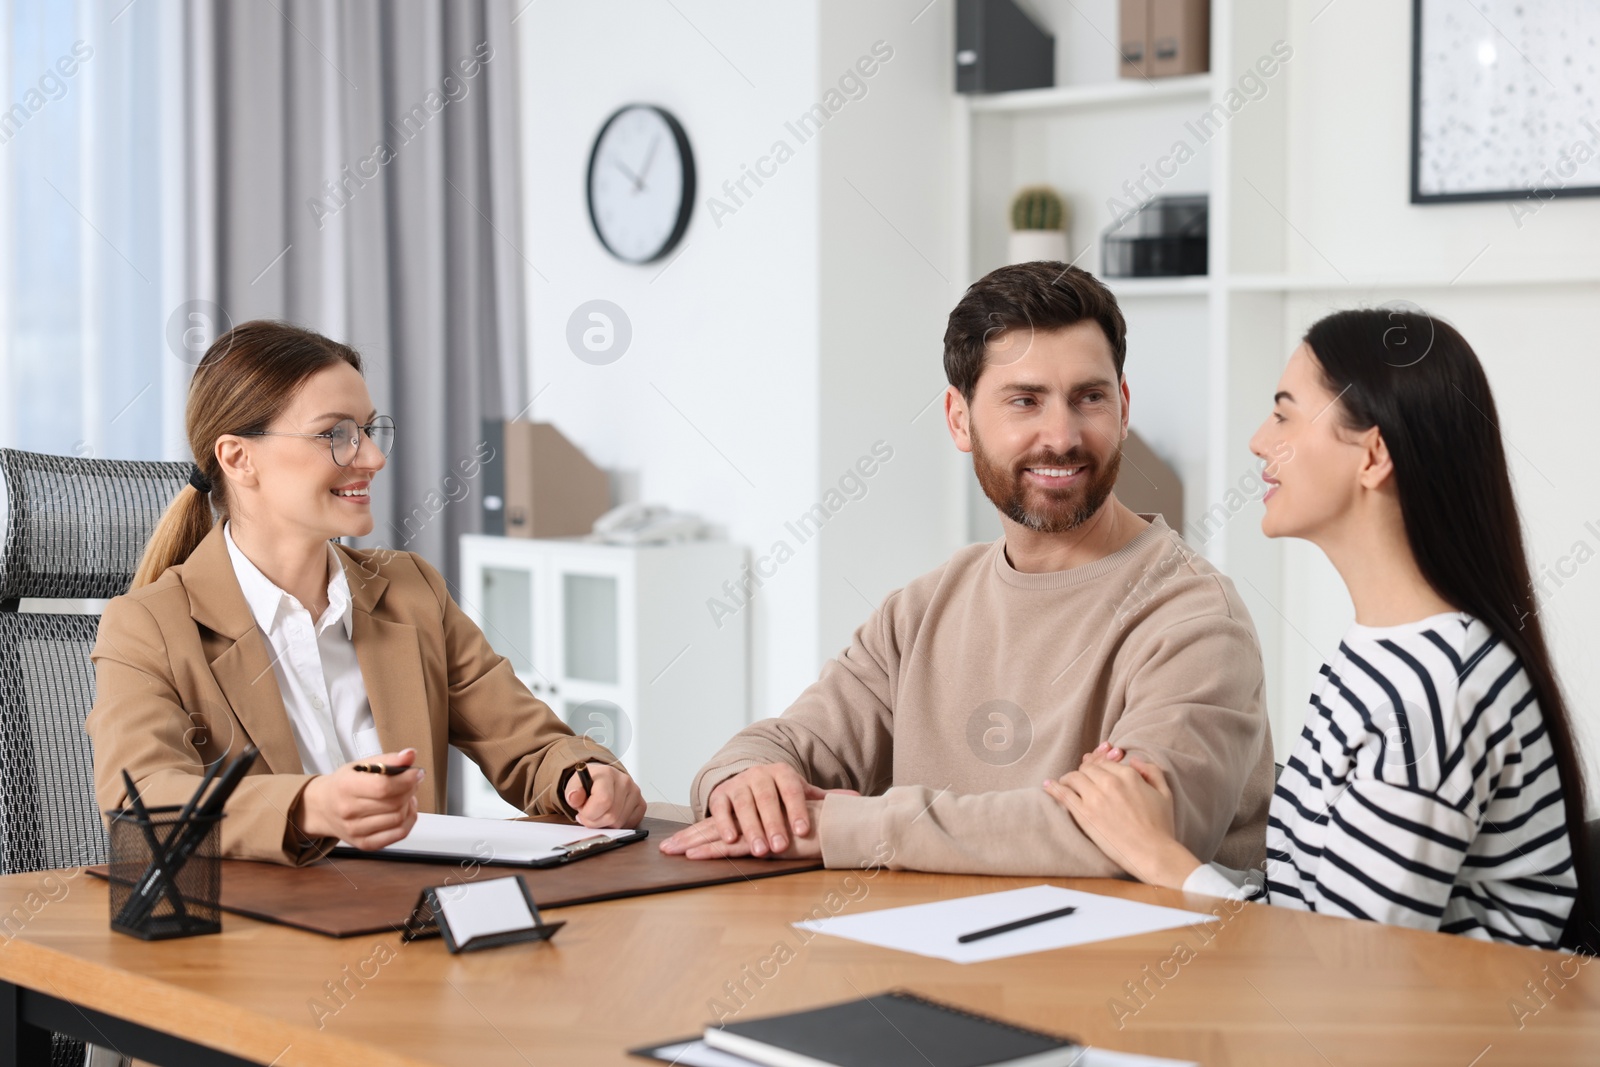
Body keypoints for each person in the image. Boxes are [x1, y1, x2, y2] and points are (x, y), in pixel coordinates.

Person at [660, 262, 1275, 874]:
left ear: (1123, 406)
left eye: (1089, 397)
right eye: (1025, 401)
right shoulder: (923, 610)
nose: (1061, 436)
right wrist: (745, 787)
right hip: (938, 957)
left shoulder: (1194, 620)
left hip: (1138, 969)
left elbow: (1137, 838)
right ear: (960, 419)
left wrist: (849, 826)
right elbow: (782, 747)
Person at [1044, 308, 1588, 950]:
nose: (1257, 441)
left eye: (1283, 413)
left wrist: (1160, 857)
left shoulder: (1437, 688)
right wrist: (1149, 823)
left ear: (1373, 454)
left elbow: (1349, 965)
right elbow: (1307, 906)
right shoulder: (1383, 654)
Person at [87, 320, 645, 866]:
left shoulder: (411, 590)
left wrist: (584, 777)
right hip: (260, 942)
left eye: (369, 431)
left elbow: (529, 743)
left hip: (413, 924)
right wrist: (308, 806)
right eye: (336, 435)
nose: (373, 459)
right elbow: (144, 800)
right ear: (238, 458)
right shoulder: (148, 626)